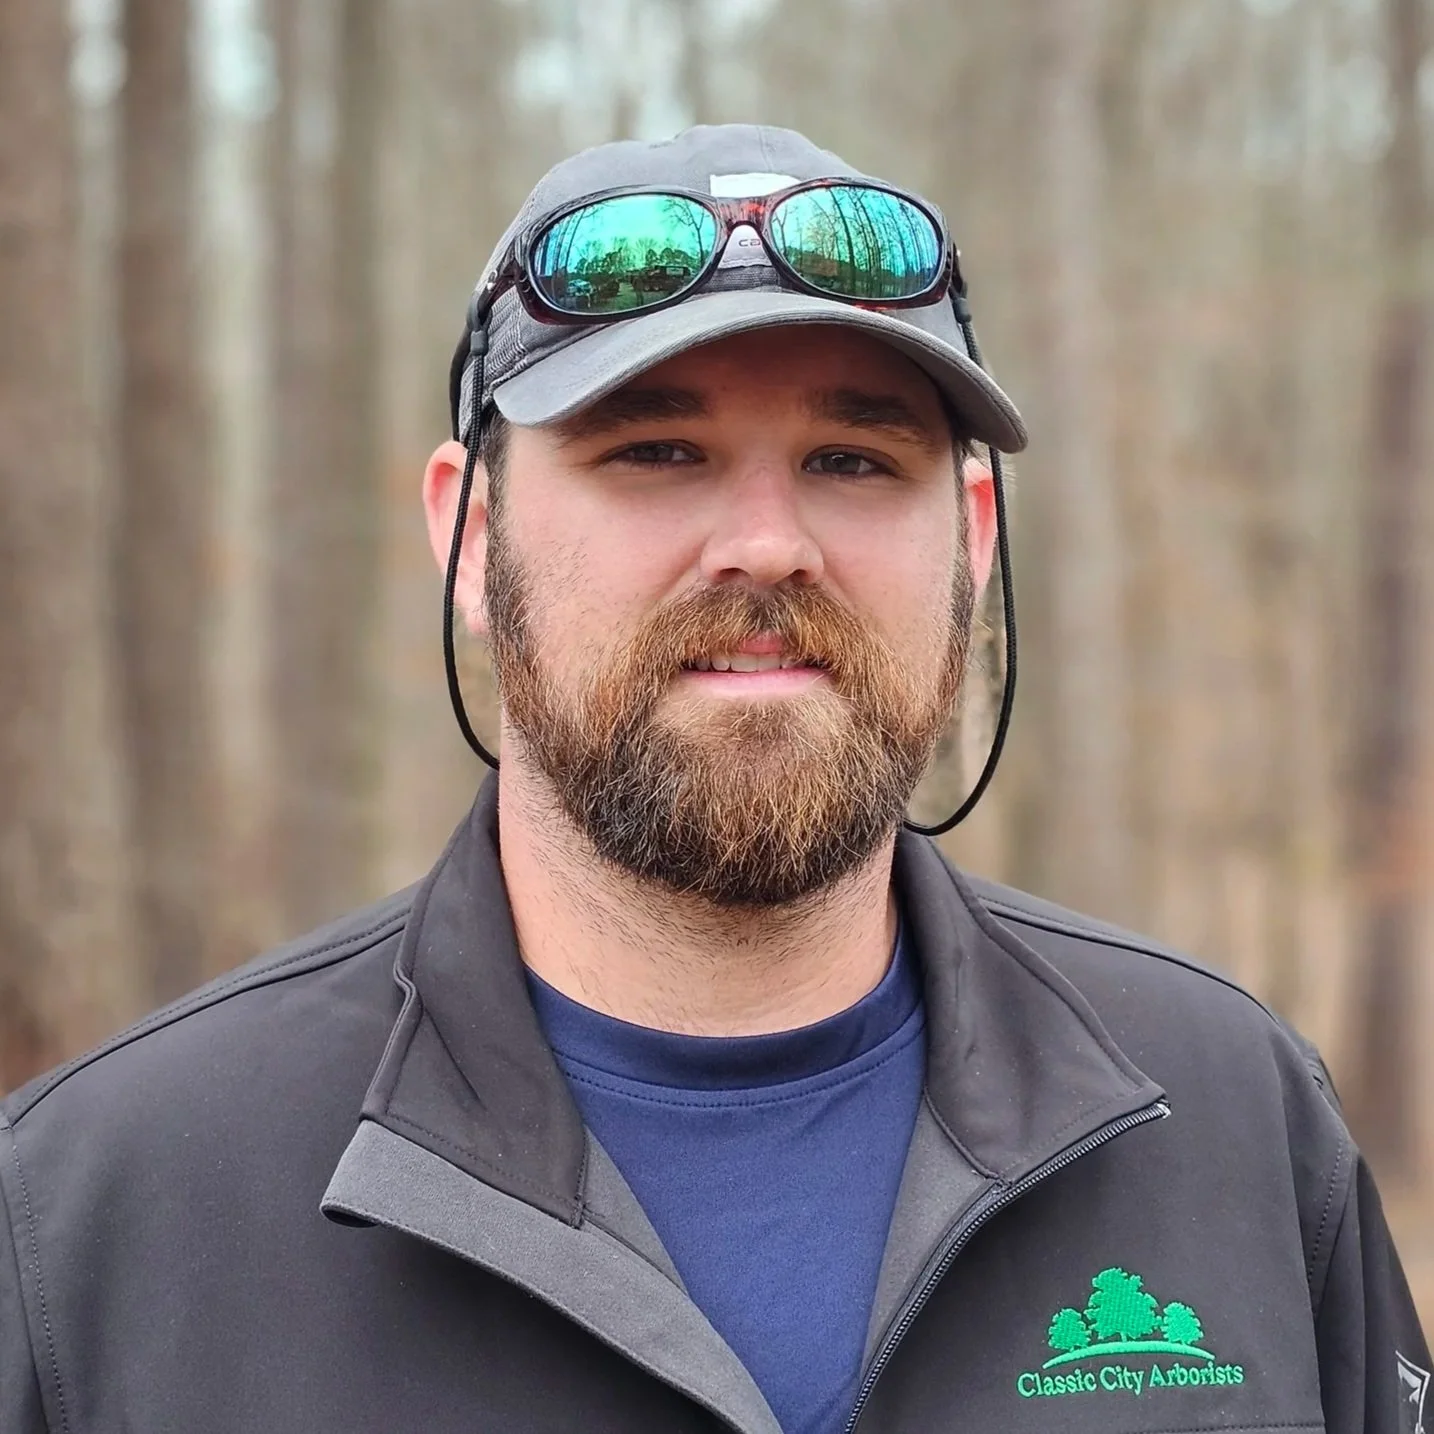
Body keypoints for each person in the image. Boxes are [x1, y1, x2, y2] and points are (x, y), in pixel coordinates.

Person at [1, 124, 1426, 1434]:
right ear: (470, 538)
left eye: (852, 459)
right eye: (657, 451)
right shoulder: (97, 1223)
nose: (766, 544)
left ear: (974, 536)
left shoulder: (1230, 1124)